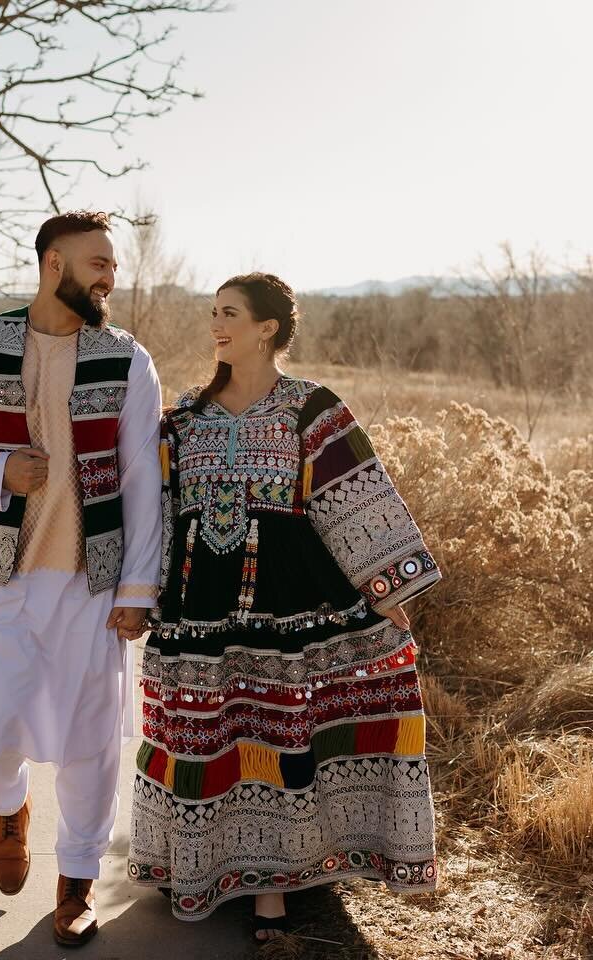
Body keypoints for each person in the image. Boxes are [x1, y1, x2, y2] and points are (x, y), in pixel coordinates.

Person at [128, 273, 441, 944]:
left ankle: (274, 887)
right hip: (199, 606)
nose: (217, 323)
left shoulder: (312, 408)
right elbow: (155, 513)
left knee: (276, 737)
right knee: (213, 735)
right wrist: (141, 593)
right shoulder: (182, 418)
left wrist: (388, 590)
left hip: (292, 601)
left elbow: (354, 497)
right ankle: (197, 864)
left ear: (267, 327)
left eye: (230, 313)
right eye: (213, 313)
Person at [0, 211, 162, 948]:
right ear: (54, 263)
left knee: (90, 738)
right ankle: (8, 803)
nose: (109, 275)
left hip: (89, 580)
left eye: (112, 264)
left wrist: (138, 587)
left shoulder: (126, 358)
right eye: (96, 263)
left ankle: (75, 882)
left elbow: (143, 475)